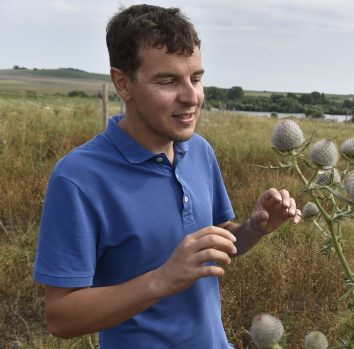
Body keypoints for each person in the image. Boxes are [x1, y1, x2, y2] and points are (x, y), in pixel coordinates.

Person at [32, 4, 301, 348]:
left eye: (197, 78)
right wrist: (162, 279)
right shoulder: (78, 178)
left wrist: (253, 229)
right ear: (123, 83)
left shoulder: (200, 150)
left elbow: (213, 244)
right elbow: (60, 317)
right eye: (168, 80)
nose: (192, 97)